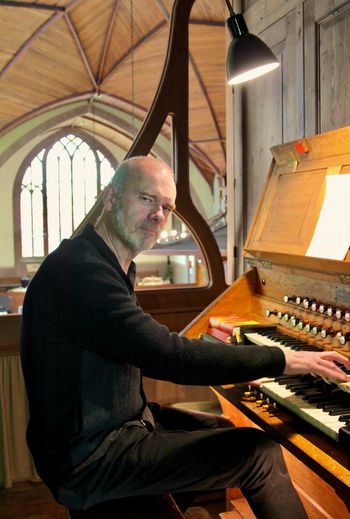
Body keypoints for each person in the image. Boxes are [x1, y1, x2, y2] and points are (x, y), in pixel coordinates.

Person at [20, 156, 350, 519]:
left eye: (167, 206)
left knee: (221, 428)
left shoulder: (100, 261)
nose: (159, 216)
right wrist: (284, 358)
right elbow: (169, 355)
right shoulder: (81, 272)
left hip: (109, 426)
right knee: (259, 453)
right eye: (146, 199)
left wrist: (244, 362)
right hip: (91, 455)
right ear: (110, 198)